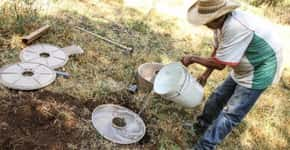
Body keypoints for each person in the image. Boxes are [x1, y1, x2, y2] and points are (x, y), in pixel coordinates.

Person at [181, 0, 284, 149]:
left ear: (218, 17)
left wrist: (192, 58)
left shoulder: (236, 26)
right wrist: (205, 75)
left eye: (206, 21)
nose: (204, 24)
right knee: (217, 96)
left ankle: (205, 146)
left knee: (230, 114)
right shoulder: (219, 26)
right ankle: (201, 126)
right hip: (244, 65)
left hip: (261, 68)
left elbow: (220, 64)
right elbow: (217, 51)